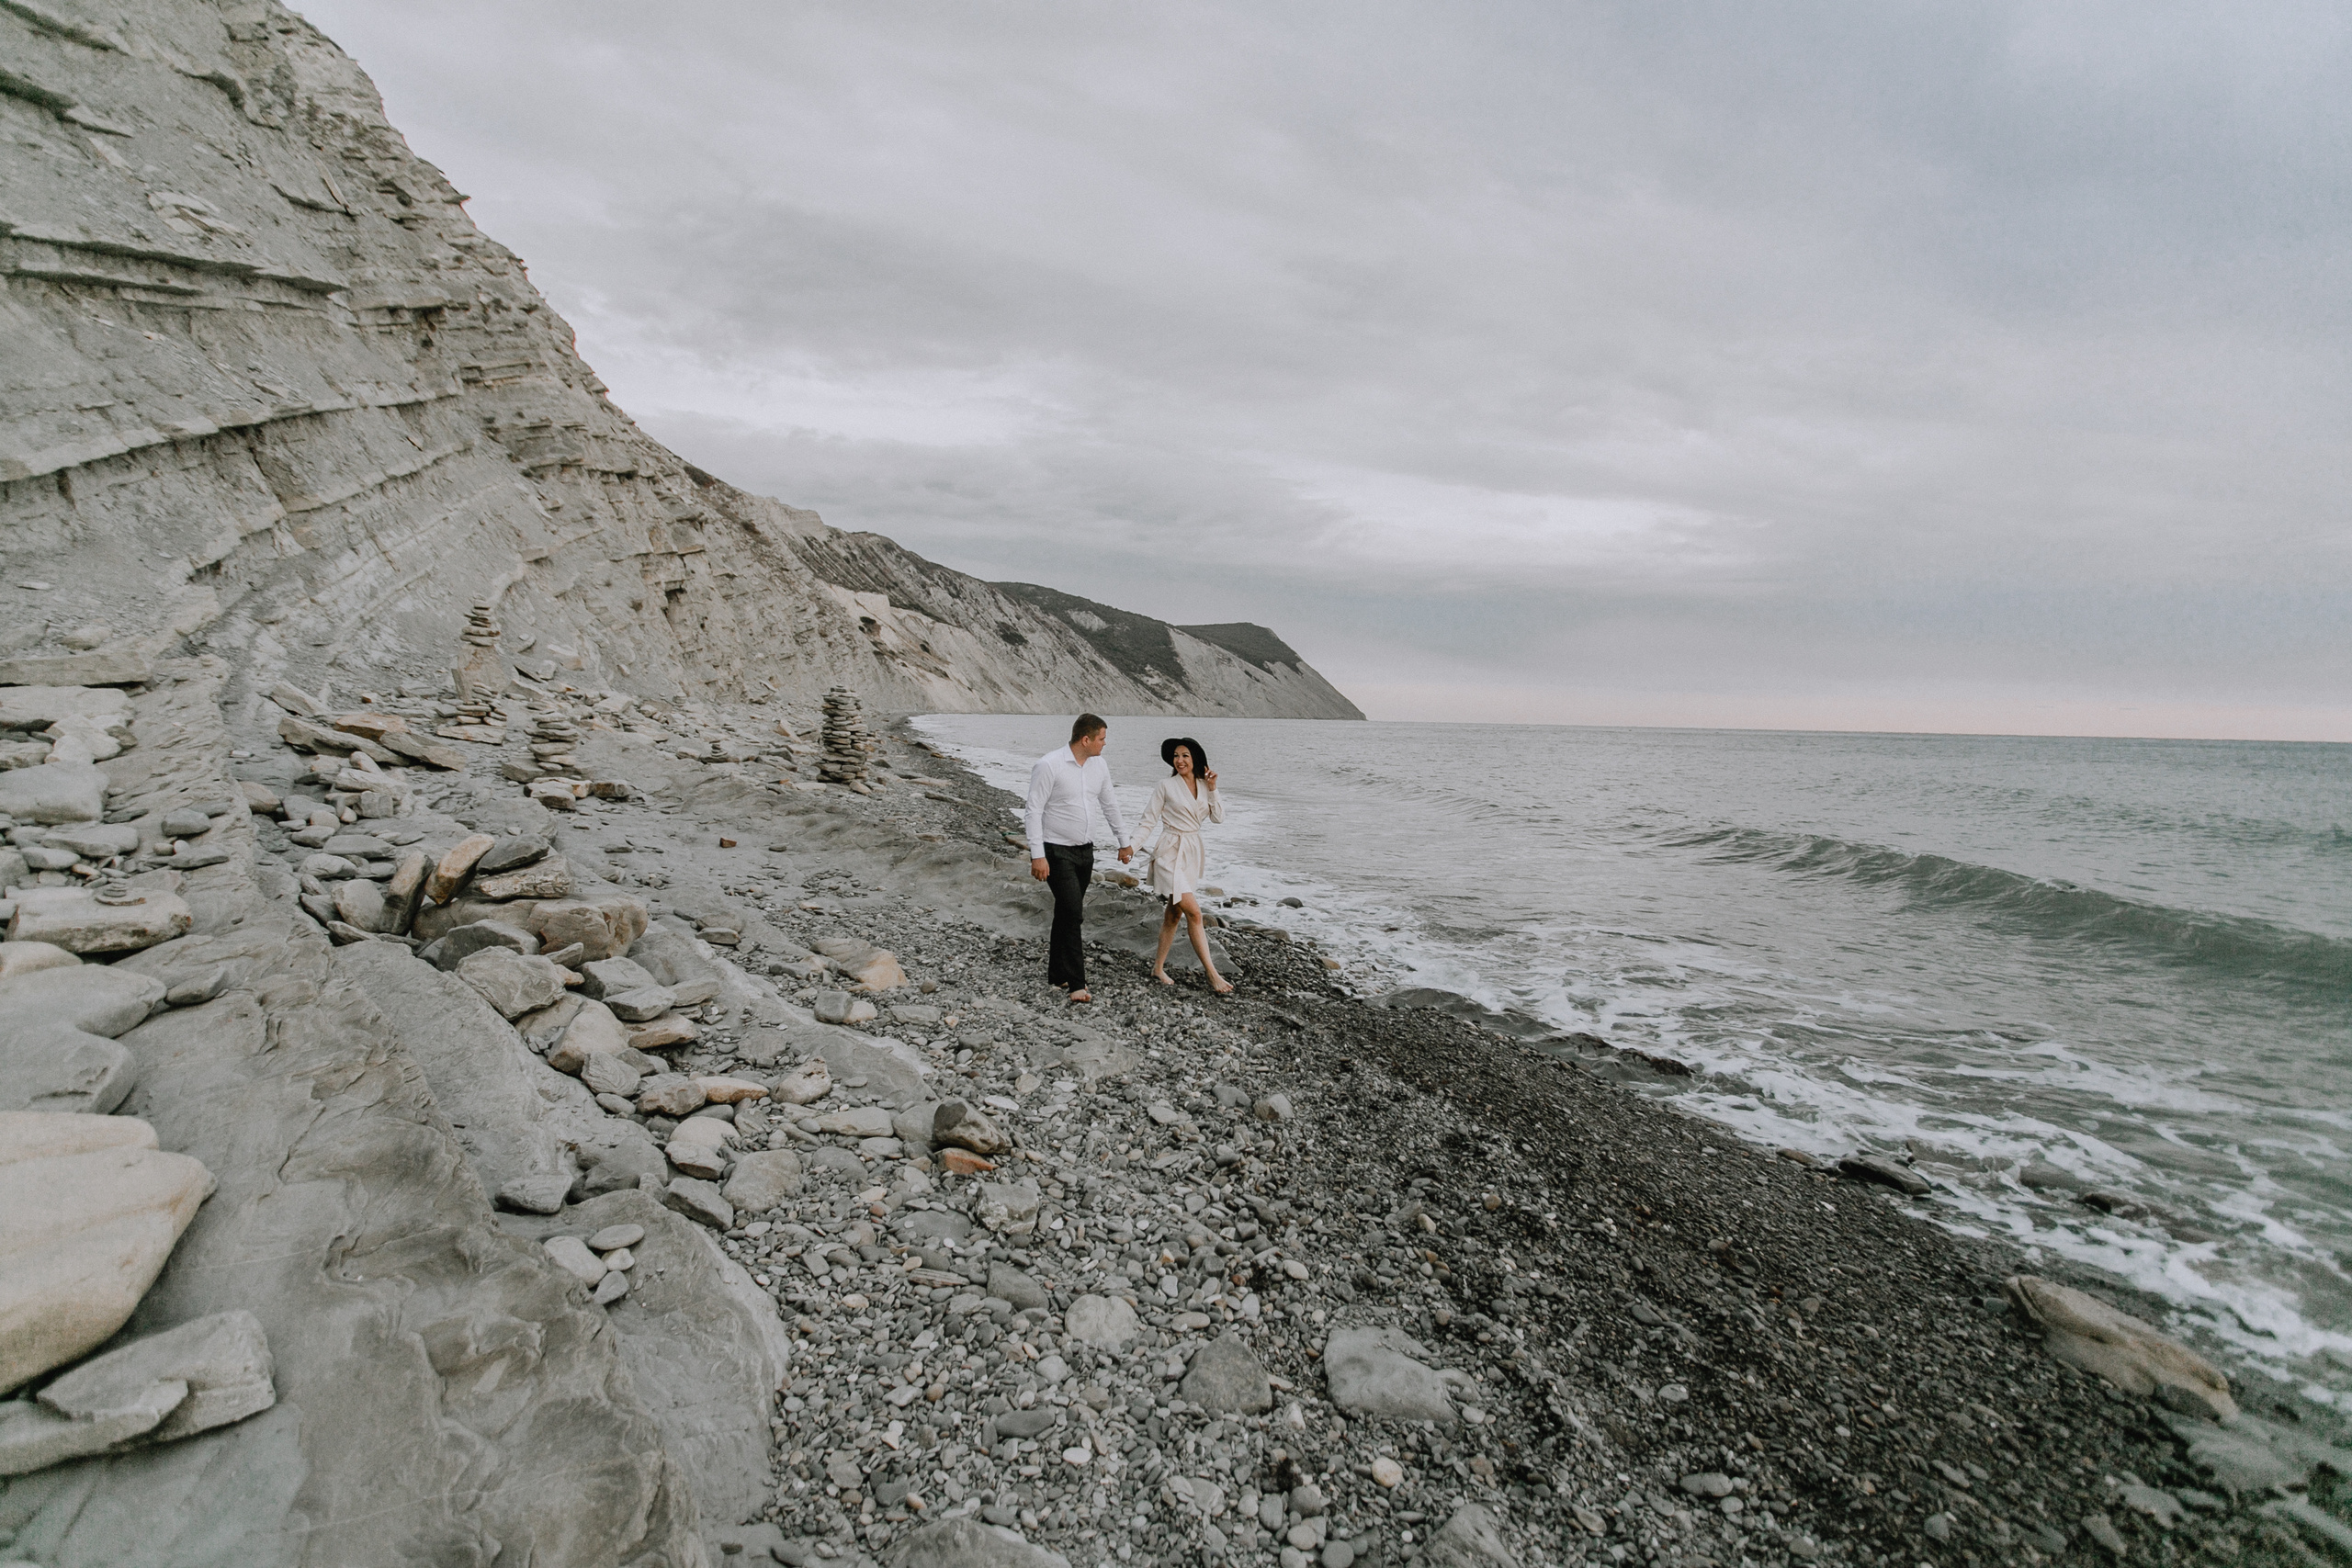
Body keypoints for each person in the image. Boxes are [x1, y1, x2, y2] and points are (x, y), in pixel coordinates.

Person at [1023, 713, 1132, 1003]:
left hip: (1086, 852)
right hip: (1055, 851)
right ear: (1086, 739)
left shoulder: (1100, 766)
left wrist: (1124, 842)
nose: (1104, 744)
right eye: (1101, 739)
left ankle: (1056, 975)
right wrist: (1037, 856)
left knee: (1066, 912)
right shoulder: (1049, 765)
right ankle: (1076, 984)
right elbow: (1033, 811)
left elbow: (1110, 804)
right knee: (1073, 913)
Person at [1133, 736, 1232, 995]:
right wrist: (1131, 847)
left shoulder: (1203, 784)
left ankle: (1157, 967)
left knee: (1174, 914)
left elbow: (1219, 817)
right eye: (1176, 756)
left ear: (1195, 759)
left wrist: (1213, 787)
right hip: (1169, 852)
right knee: (1195, 914)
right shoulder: (1165, 785)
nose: (1180, 760)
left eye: (1185, 755)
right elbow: (1148, 821)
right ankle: (1212, 974)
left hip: (1190, 852)